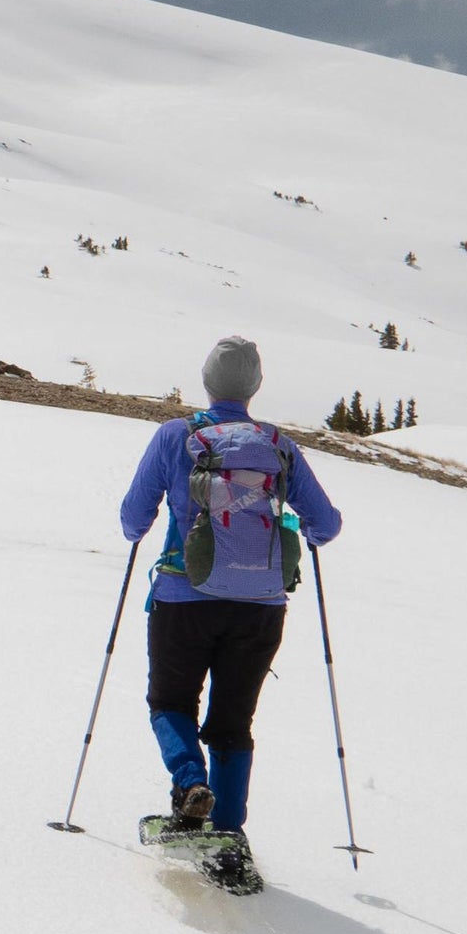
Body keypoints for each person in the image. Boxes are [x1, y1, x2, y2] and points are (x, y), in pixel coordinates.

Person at [120, 336, 343, 837]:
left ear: (206, 380)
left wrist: (139, 532)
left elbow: (134, 516)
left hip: (183, 598)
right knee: (232, 723)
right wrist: (305, 530)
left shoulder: (176, 435)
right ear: (255, 386)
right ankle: (228, 833)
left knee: (171, 703)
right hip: (260, 608)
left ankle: (190, 784)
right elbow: (324, 524)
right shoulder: (279, 447)